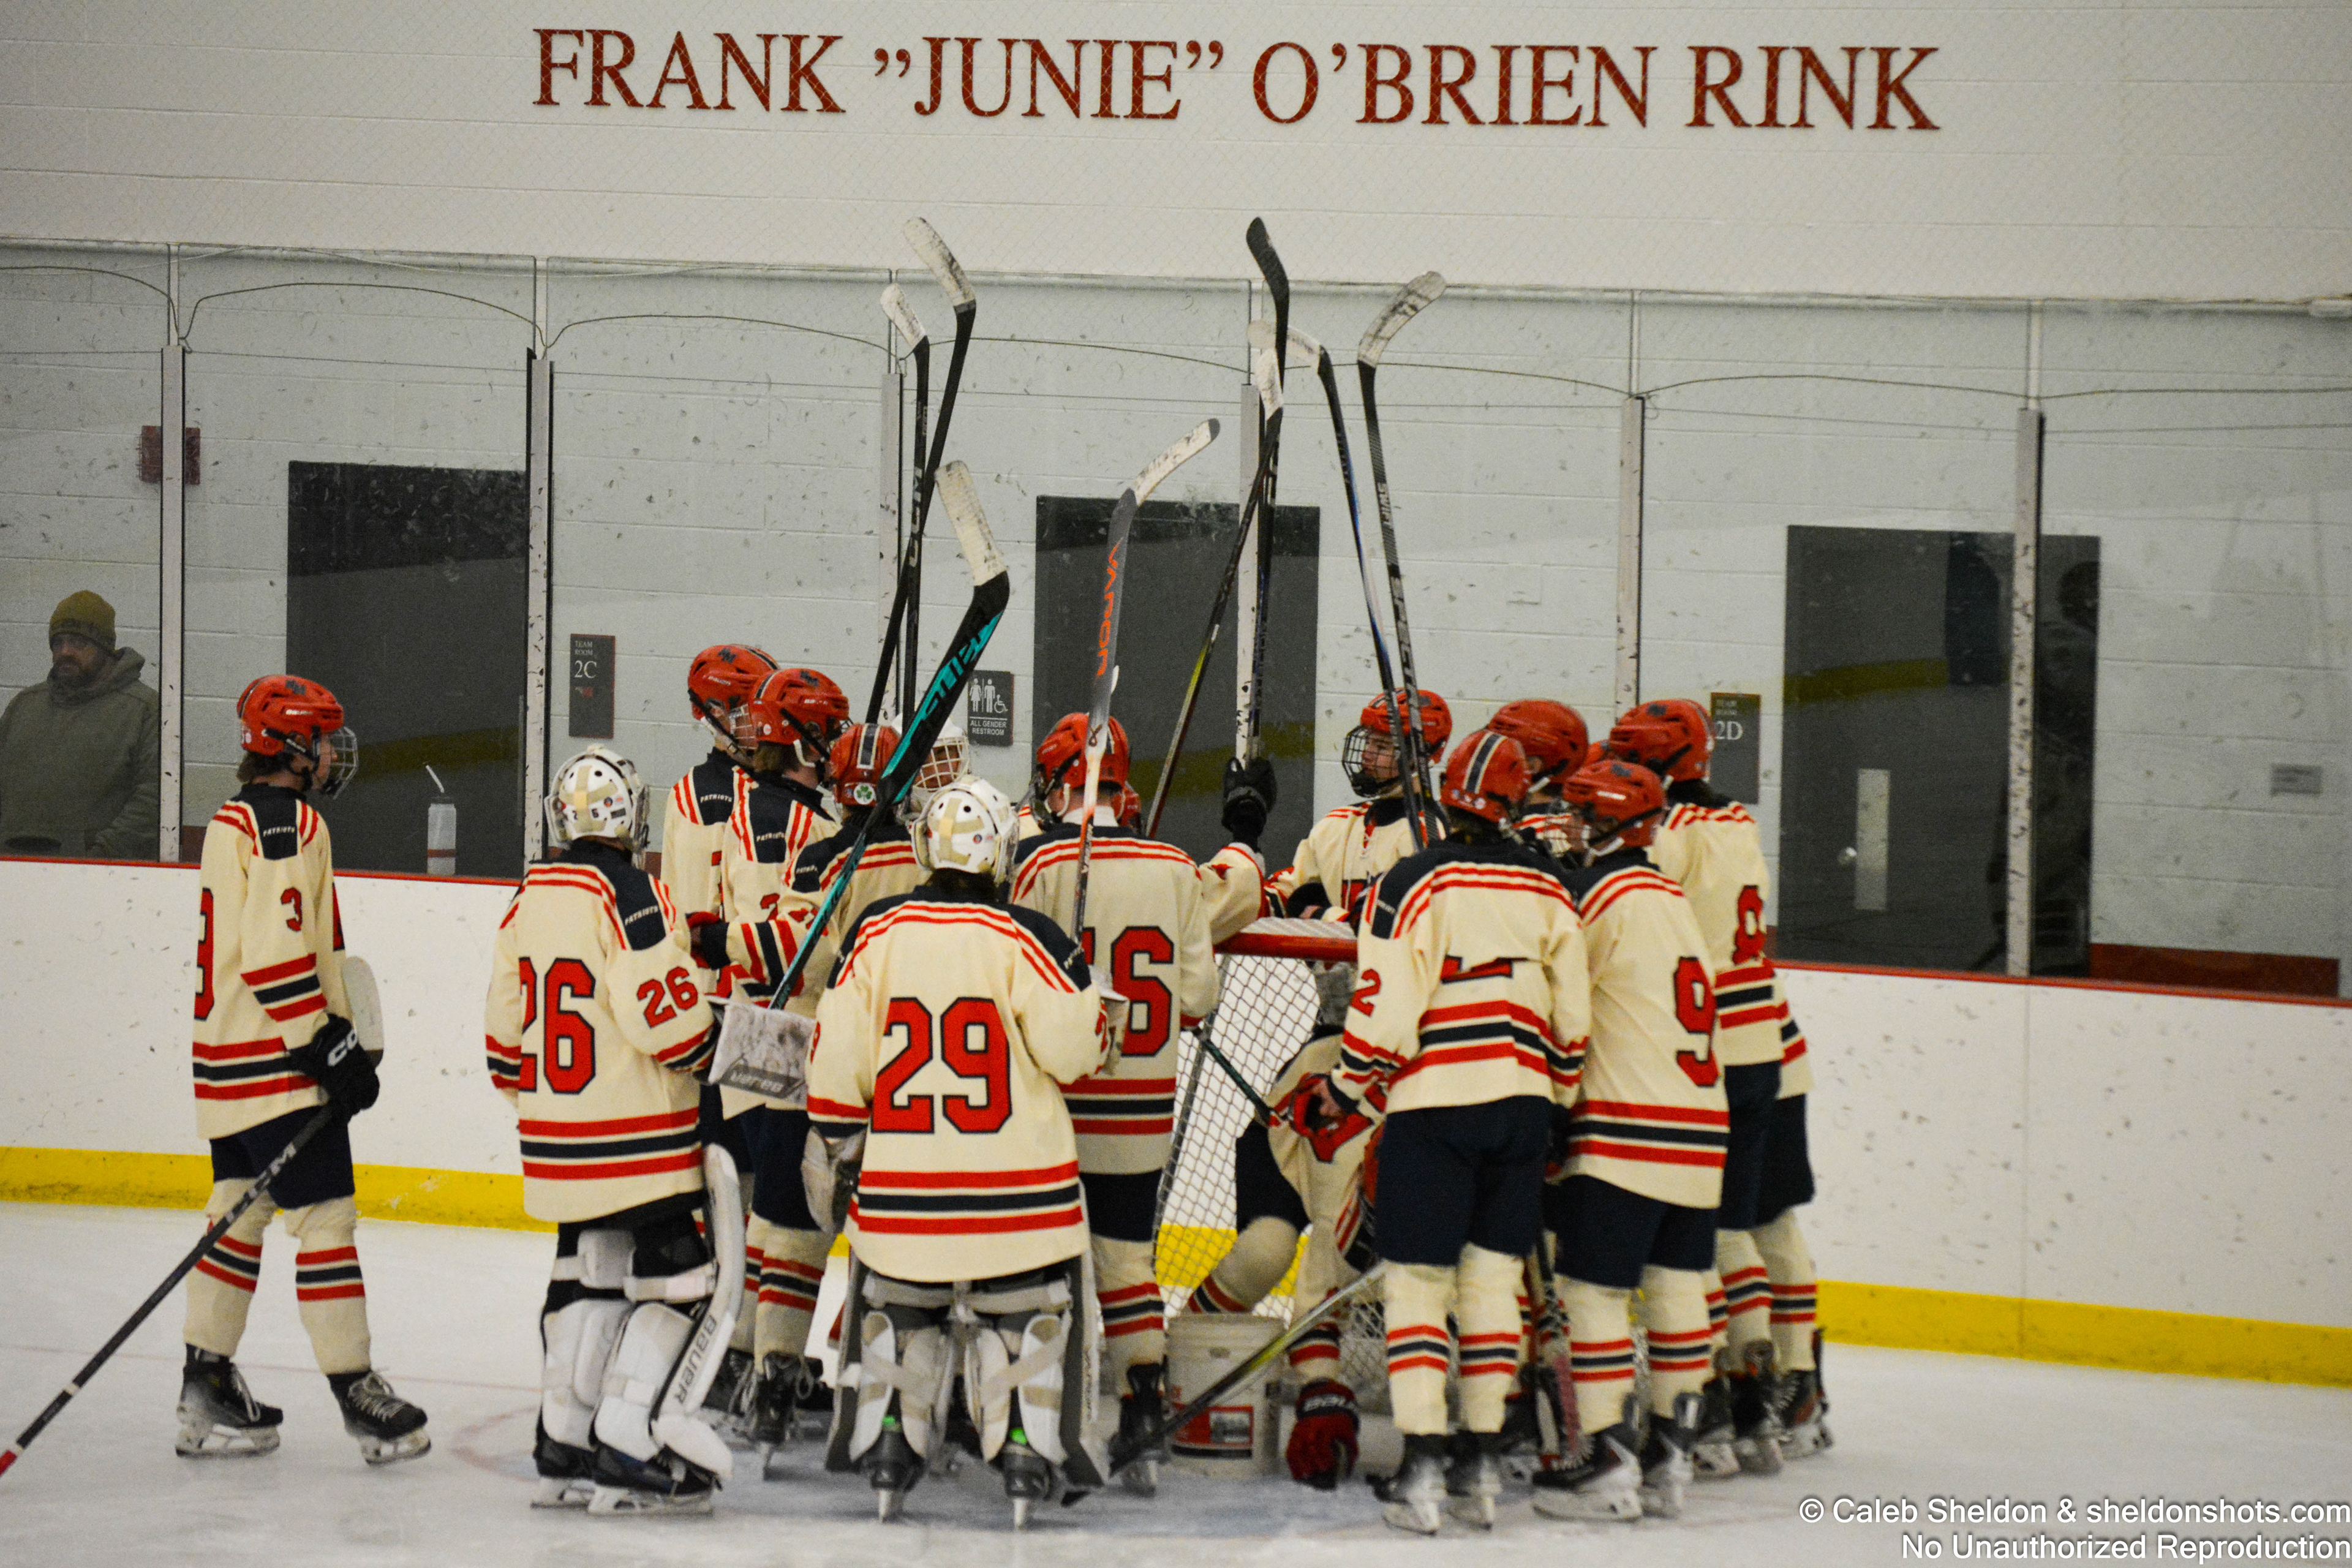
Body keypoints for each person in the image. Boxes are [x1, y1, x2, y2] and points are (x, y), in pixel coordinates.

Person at [807, 778, 1115, 1526]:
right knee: (1028, 1313)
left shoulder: (876, 931)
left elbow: (835, 1068)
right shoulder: (1031, 937)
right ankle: (1023, 1438)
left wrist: (840, 1140)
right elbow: (1076, 1054)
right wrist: (1095, 1013)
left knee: (897, 1309)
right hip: (1022, 1206)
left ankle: (891, 1431)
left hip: (901, 1202)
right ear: (1002, 853)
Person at [1309, 729, 1589, 1534]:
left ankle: (1424, 1464)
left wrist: (1343, 1088)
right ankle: (1481, 1464)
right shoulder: (1549, 884)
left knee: (1419, 1286)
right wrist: (1559, 1098)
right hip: (1523, 1104)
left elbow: (1384, 1011)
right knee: (1493, 1283)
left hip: (1435, 1108)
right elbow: (1573, 1013)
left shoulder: (1414, 880)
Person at [486, 745, 742, 1515]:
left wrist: (549, 1105)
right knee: (686, 1278)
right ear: (631, 813)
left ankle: (562, 1443)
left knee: (586, 1270)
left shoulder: (528, 895)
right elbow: (662, 1016)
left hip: (552, 1136)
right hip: (638, 1139)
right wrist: (718, 1047)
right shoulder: (633, 892)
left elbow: (503, 1040)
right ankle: (629, 1441)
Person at [181, 675, 428, 1466]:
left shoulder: (231, 819)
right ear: (290, 746)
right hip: (276, 1063)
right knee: (326, 1220)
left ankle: (205, 1383)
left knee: (238, 1211)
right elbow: (275, 954)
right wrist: (325, 1044)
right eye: (320, 740)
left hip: (224, 1060)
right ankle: (357, 1391)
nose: (331, 754)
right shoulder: (288, 823)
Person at [1008, 714, 1218, 1492]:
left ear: (1061, 781)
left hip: (1056, 1107)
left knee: (1040, 1266)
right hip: (1142, 1107)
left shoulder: (1039, 861)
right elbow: (1198, 996)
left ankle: (1037, 1416)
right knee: (1127, 1263)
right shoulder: (1177, 866)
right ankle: (1141, 1408)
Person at [1608, 697, 1815, 1472]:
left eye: (1632, 758)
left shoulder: (1672, 834)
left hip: (1707, 1052)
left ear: (1660, 765)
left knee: (1709, 1234)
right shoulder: (1736, 822)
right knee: (1754, 1223)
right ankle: (1780, 1387)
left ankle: (1728, 1400)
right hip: (1768, 1044)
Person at [1530, 757, 1728, 1524]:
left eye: (1582, 813)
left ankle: (1608, 1458)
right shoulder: (1671, 896)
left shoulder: (1597, 897)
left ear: (1611, 822)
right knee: (1678, 1286)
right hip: (1701, 1126)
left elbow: (1561, 1003)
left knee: (1594, 1293)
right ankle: (1671, 1455)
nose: (1571, 825)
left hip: (1625, 1125)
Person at [714, 666, 848, 1449]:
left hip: (751, 1026)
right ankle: (758, 1363)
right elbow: (790, 945)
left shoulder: (747, 807)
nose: (835, 744)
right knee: (791, 1212)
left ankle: (744, 1357)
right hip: (788, 1030)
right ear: (801, 740)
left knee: (772, 1209)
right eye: (827, 731)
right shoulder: (798, 825)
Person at [0, 589, 161, 858]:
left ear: (105, 648)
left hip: (100, 873)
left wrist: (97, 857)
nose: (65, 652)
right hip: (12, 870)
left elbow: (153, 798)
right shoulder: (24, 706)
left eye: (78, 643)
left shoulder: (144, 709)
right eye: (58, 643)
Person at [1267, 689, 1450, 919]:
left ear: (1417, 759)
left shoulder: (1429, 833)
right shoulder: (1337, 824)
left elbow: (1402, 925)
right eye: (1368, 742)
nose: (1367, 754)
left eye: (1381, 747)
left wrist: (1324, 917)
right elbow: (1288, 890)